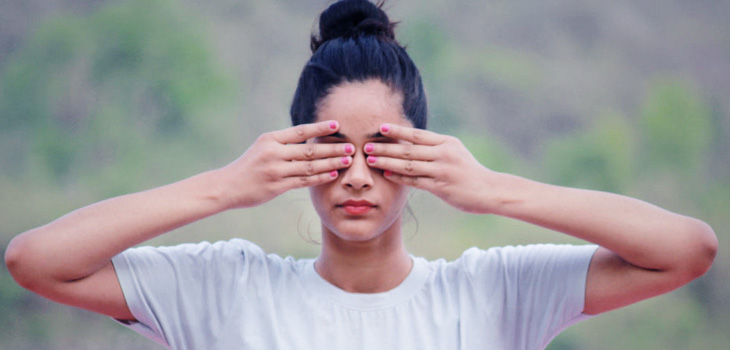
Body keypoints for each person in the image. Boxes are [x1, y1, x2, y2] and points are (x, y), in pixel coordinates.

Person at [5, 0, 718, 349]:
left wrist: (493, 189)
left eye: (381, 149)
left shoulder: (494, 292)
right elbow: (36, 262)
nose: (355, 175)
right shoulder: (223, 289)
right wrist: (227, 185)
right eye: (330, 148)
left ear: (423, 157)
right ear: (292, 153)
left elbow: (687, 249)